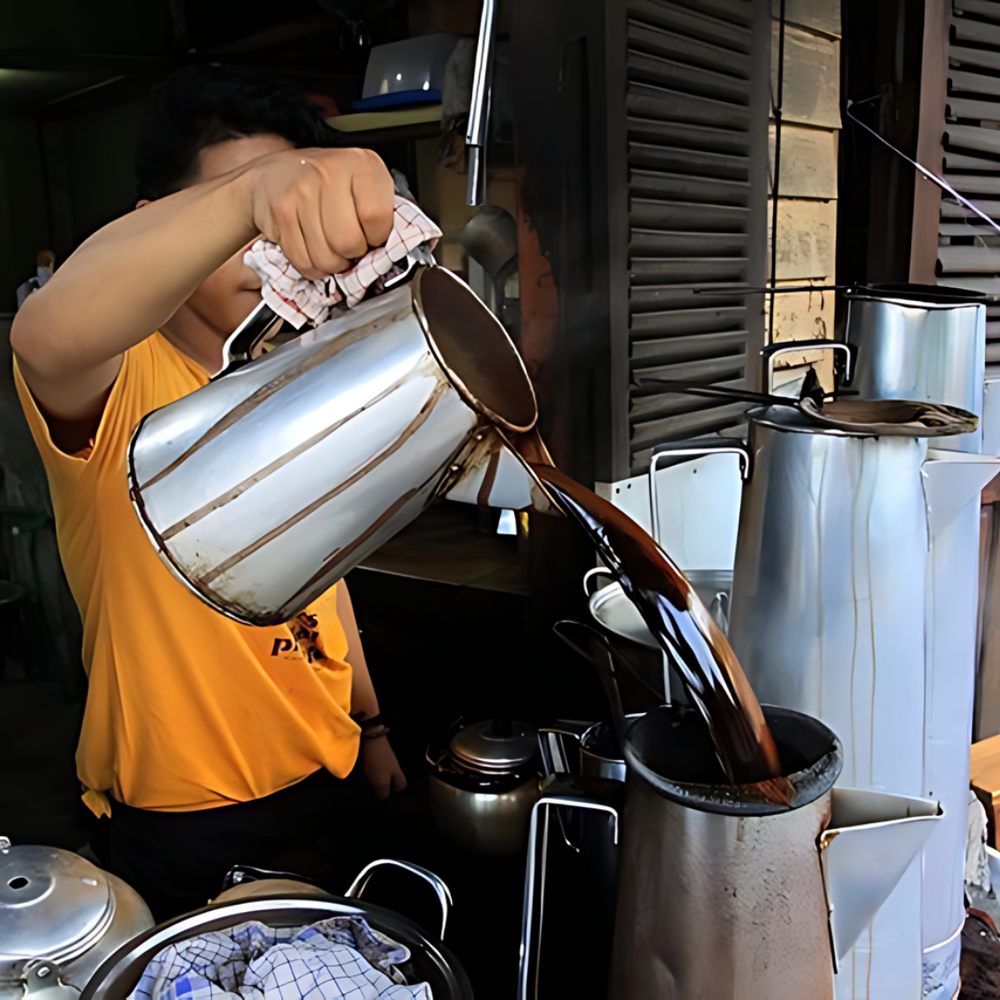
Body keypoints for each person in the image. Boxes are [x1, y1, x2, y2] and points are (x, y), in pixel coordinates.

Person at [10, 65, 407, 919]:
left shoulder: (292, 373)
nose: (271, 253)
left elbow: (326, 579)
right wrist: (254, 190)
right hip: (189, 819)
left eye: (283, 223)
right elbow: (44, 336)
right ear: (166, 219)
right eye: (243, 218)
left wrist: (370, 729)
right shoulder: (120, 385)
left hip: (332, 769)